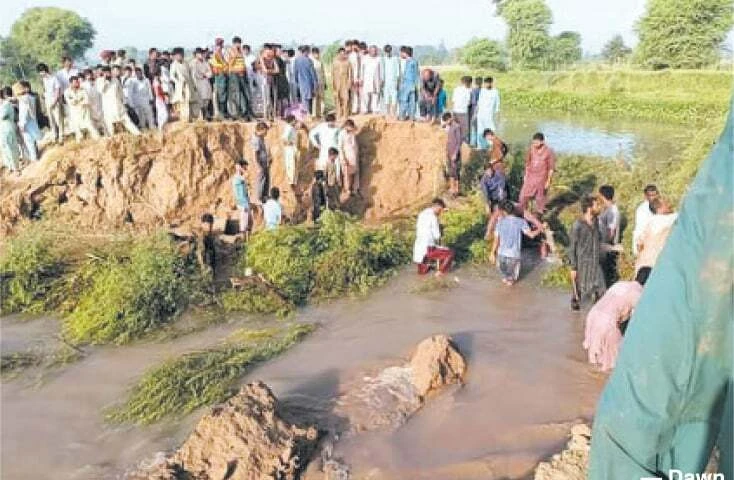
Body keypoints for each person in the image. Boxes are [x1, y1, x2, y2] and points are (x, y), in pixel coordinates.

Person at [583, 267, 651, 372]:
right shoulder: (638, 293)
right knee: (615, 364)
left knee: (597, 359)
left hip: (593, 315)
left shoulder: (620, 284)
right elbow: (643, 320)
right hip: (608, 322)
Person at [490, 200, 542, 286]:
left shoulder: (500, 222)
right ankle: (508, 298)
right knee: (510, 282)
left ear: (504, 211)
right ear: (513, 210)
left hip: (501, 255)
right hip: (513, 255)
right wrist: (540, 228)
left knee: (504, 278)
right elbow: (531, 235)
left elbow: (496, 240)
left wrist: (492, 253)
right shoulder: (521, 222)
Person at [568, 196, 607, 310]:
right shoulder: (578, 225)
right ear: (589, 208)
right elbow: (572, 247)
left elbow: (598, 239)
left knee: (601, 290)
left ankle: (597, 315)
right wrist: (573, 267)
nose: (598, 208)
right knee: (577, 294)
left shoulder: (596, 222)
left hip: (595, 262)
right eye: (596, 205)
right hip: (582, 264)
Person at [635, 197, 678, 273]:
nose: (669, 205)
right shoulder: (668, 219)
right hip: (657, 265)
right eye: (666, 204)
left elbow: (639, 244)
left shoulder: (649, 222)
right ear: (659, 208)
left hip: (641, 266)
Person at [413, 197, 454, 276]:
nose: (440, 212)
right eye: (440, 210)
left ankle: (425, 269)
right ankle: (440, 273)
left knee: (422, 274)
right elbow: (437, 236)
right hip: (428, 248)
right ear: (437, 207)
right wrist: (441, 229)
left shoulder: (422, 214)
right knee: (450, 253)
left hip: (418, 248)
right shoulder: (433, 217)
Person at [519, 132, 555, 215]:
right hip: (531, 176)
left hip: (541, 178)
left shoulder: (549, 151)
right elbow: (527, 163)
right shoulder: (531, 149)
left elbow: (551, 168)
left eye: (536, 142)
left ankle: (540, 213)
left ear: (542, 142)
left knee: (540, 197)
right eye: (533, 142)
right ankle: (522, 211)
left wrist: (548, 180)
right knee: (523, 196)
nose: (534, 144)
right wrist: (525, 175)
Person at [99, 66, 141, 136]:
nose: (108, 73)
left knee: (127, 121)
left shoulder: (115, 80)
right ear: (103, 73)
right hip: (108, 108)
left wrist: (125, 103)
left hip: (119, 106)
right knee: (110, 126)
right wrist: (105, 81)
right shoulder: (100, 81)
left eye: (108, 72)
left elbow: (121, 93)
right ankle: (111, 140)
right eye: (105, 72)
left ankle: (138, 134)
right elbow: (101, 90)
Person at [63, 76, 100, 142]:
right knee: (77, 130)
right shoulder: (67, 92)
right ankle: (79, 144)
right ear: (71, 83)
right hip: (75, 113)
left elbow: (87, 101)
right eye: (75, 83)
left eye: (77, 82)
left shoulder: (83, 90)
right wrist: (79, 100)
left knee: (90, 126)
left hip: (85, 112)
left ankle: (98, 140)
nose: (77, 84)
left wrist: (79, 102)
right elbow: (70, 102)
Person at [598, 184, 621, 287]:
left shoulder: (613, 211)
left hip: (607, 247)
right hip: (603, 246)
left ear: (602, 196)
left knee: (606, 275)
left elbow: (611, 231)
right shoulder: (607, 209)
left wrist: (606, 245)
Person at [170, 47, 199, 123]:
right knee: (183, 102)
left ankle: (192, 118)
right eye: (179, 55)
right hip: (181, 86)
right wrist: (178, 82)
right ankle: (184, 119)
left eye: (181, 54)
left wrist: (194, 85)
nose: (180, 56)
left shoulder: (186, 63)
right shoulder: (174, 64)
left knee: (191, 102)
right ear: (175, 56)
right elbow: (172, 76)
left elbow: (190, 75)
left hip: (189, 85)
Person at [227, 37, 252, 120]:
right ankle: (238, 113)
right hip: (234, 74)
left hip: (242, 74)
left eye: (239, 43)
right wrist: (235, 55)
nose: (239, 45)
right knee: (237, 94)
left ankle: (247, 113)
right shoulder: (230, 51)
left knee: (246, 94)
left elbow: (242, 62)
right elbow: (230, 64)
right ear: (234, 44)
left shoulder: (240, 51)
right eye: (237, 43)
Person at [38, 63, 64, 144]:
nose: (41, 73)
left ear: (45, 70)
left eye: (42, 71)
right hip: (48, 101)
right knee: (51, 120)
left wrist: (55, 101)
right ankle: (54, 135)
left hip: (55, 101)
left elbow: (57, 90)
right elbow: (44, 91)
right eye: (40, 72)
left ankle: (61, 136)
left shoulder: (53, 78)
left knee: (58, 119)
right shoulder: (43, 80)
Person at [16, 82, 42, 161]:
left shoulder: (23, 100)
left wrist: (22, 124)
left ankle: (34, 158)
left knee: (29, 141)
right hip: (32, 120)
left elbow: (24, 113)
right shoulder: (31, 97)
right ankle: (36, 155)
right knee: (33, 140)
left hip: (26, 123)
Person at [632, 184, 659, 256]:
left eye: (655, 195)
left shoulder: (659, 206)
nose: (654, 197)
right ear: (646, 196)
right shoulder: (642, 210)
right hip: (644, 244)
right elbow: (642, 229)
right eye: (651, 195)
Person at [475, 77, 500, 149]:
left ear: (491, 83)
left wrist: (498, 117)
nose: (487, 84)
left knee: (491, 130)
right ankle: (480, 147)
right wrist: (475, 114)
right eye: (485, 83)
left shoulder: (495, 92)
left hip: (489, 116)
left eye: (488, 83)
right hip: (480, 115)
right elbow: (479, 103)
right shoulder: (482, 91)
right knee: (480, 131)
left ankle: (492, 147)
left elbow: (497, 105)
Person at [338, 118, 360, 196]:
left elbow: (356, 128)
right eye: (350, 127)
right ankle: (347, 190)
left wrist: (352, 129)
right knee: (347, 174)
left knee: (354, 173)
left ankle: (354, 189)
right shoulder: (342, 134)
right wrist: (344, 159)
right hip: (346, 156)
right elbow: (340, 147)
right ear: (346, 126)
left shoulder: (352, 132)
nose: (352, 128)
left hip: (354, 156)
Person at [442, 112, 462, 197]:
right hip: (449, 152)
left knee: (455, 171)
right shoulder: (449, 127)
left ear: (450, 119)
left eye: (446, 121)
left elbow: (458, 142)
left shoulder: (456, 127)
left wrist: (455, 153)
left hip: (454, 153)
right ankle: (451, 188)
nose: (445, 123)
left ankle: (456, 189)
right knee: (450, 170)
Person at [0, 92, 21, 173]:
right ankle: (10, 166)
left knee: (11, 148)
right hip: (2, 130)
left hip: (8, 129)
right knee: (4, 148)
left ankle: (16, 168)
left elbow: (2, 116)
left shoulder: (6, 104)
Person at [250, 122, 270, 205]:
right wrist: (258, 166)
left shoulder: (260, 138)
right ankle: (259, 197)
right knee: (260, 180)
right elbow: (255, 154)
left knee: (266, 180)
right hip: (260, 163)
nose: (266, 133)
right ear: (261, 130)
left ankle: (264, 196)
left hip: (264, 163)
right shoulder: (256, 140)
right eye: (265, 131)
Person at [190, 48, 213, 120]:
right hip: (197, 83)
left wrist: (206, 75)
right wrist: (203, 75)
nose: (201, 55)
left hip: (205, 82)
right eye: (200, 53)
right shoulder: (193, 63)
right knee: (200, 100)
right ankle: (203, 115)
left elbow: (210, 73)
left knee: (207, 98)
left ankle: (207, 114)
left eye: (202, 53)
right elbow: (194, 74)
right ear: (196, 54)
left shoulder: (206, 62)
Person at [209, 38, 229, 120]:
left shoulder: (220, 51)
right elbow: (215, 64)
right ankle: (221, 113)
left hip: (223, 73)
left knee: (223, 94)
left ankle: (223, 112)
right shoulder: (217, 52)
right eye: (219, 44)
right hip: (220, 74)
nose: (220, 46)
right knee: (221, 94)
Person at [260, 44, 280, 121]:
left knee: (273, 98)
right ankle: (266, 116)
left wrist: (269, 71)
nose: (269, 52)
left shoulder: (273, 59)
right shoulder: (262, 59)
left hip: (273, 81)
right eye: (268, 50)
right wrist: (272, 71)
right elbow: (265, 70)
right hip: (265, 81)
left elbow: (277, 70)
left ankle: (272, 115)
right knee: (266, 99)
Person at [398, 47, 419, 121]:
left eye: (402, 53)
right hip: (408, 84)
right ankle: (409, 116)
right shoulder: (407, 61)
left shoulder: (412, 62)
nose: (401, 54)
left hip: (408, 84)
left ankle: (405, 116)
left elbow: (416, 74)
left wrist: (416, 85)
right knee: (409, 101)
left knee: (406, 101)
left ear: (405, 53)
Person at [331, 48, 353, 119]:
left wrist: (349, 81)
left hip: (345, 82)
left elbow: (350, 73)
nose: (342, 55)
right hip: (337, 82)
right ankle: (339, 113)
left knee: (346, 98)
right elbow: (332, 74)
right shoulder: (335, 62)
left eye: (343, 53)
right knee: (337, 98)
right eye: (341, 54)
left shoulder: (348, 62)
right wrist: (333, 83)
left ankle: (345, 114)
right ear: (338, 54)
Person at [231, 159, 251, 239]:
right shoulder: (237, 178)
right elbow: (244, 178)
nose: (245, 170)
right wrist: (240, 168)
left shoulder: (241, 178)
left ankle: (248, 240)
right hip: (242, 203)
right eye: (244, 167)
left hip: (245, 202)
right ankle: (244, 242)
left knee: (248, 223)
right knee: (244, 224)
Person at [359, 45, 382, 114]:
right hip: (366, 79)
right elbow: (361, 69)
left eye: (375, 51)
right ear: (369, 51)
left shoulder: (379, 59)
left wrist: (381, 79)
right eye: (372, 50)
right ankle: (365, 109)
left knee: (376, 95)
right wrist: (361, 79)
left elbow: (381, 70)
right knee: (365, 95)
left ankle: (375, 109)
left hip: (376, 79)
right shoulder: (365, 58)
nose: (373, 52)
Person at [381, 45, 400, 118]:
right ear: (385, 52)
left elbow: (398, 71)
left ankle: (394, 113)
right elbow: (382, 71)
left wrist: (398, 82)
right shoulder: (383, 59)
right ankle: (388, 113)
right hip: (386, 82)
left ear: (391, 51)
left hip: (394, 81)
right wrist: (382, 81)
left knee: (394, 98)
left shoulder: (395, 59)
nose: (388, 53)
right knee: (386, 98)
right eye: (386, 52)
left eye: (389, 51)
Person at [451, 76, 472, 142]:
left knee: (456, 127)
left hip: (455, 111)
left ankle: (455, 140)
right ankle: (463, 144)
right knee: (464, 130)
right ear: (468, 83)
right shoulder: (468, 90)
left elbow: (453, 101)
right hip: (463, 112)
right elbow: (469, 103)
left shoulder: (456, 89)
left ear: (461, 82)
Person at [196, 213, 217, 277]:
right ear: (202, 224)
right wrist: (204, 268)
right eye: (207, 225)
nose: (209, 227)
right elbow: (200, 254)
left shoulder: (209, 236)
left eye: (211, 224)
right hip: (206, 270)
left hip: (209, 268)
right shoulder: (202, 237)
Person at [281, 114, 298, 188]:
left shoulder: (292, 128)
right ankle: (291, 181)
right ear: (292, 120)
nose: (295, 121)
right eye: (294, 120)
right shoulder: (289, 128)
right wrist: (289, 143)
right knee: (291, 165)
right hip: (289, 148)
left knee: (293, 164)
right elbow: (284, 139)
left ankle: (293, 181)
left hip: (292, 147)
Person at [310, 47, 326, 118]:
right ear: (313, 54)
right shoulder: (311, 62)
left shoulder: (320, 62)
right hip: (314, 84)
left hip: (321, 82)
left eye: (318, 53)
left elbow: (323, 73)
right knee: (315, 99)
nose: (317, 55)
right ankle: (314, 114)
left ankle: (321, 113)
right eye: (316, 53)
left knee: (321, 98)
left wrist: (325, 82)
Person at [347, 41, 361, 114]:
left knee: (355, 94)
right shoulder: (348, 55)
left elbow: (357, 68)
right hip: (348, 77)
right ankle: (350, 109)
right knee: (349, 94)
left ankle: (354, 109)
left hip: (354, 77)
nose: (353, 47)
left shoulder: (355, 55)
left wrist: (356, 78)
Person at [468, 77, 482, 147]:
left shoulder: (473, 91)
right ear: (481, 83)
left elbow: (473, 102)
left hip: (474, 111)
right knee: (480, 128)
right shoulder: (483, 91)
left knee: (473, 128)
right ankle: (479, 144)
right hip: (482, 112)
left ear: (475, 83)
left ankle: (473, 144)